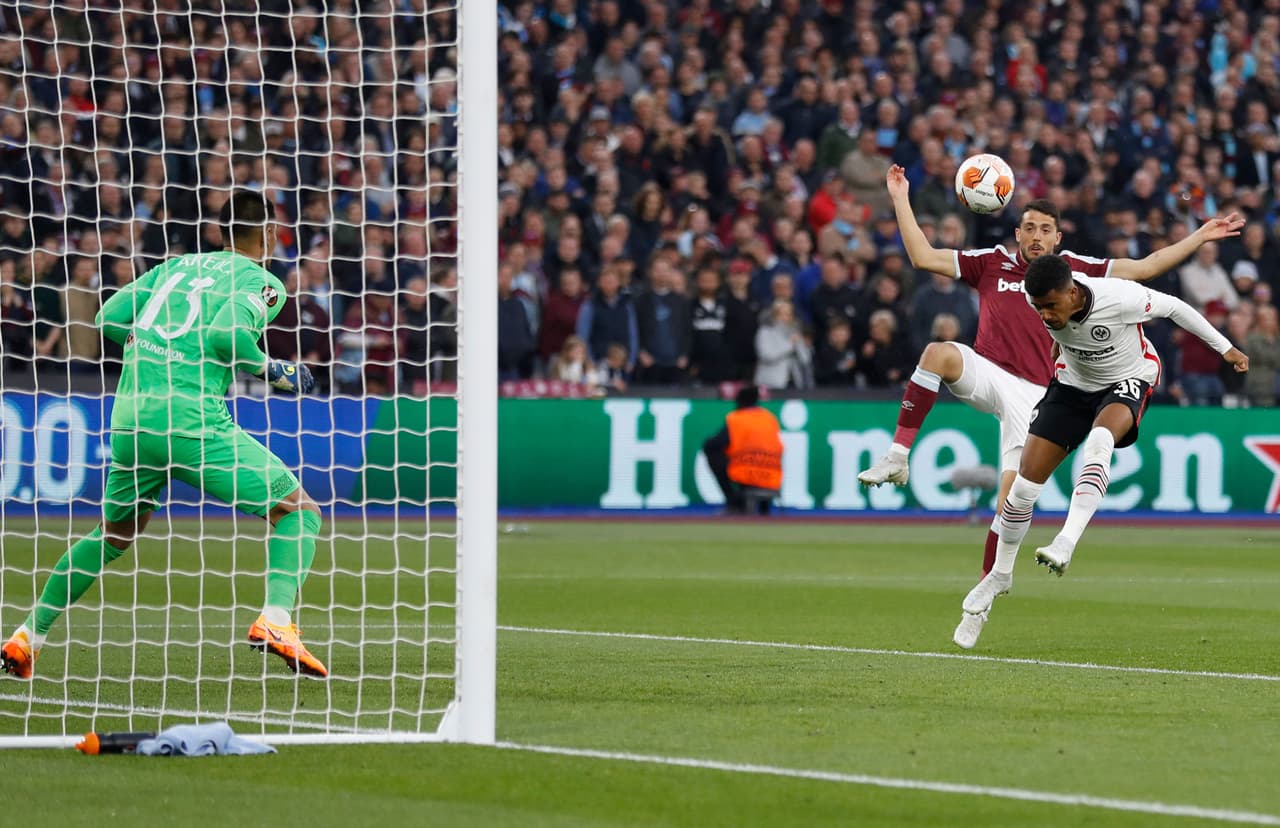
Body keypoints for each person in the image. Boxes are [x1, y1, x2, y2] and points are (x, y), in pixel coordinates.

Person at [856, 165, 1244, 648]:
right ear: (1016, 231)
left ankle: (986, 598)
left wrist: (1201, 236)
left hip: (1042, 394)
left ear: (1058, 237)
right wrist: (899, 196)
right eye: (1029, 228)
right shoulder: (989, 262)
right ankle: (898, 455)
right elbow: (921, 255)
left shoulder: (1079, 273)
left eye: (1046, 230)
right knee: (938, 353)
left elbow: (1146, 268)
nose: (1036, 237)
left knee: (1012, 502)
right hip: (991, 372)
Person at [1, 190, 328, 680]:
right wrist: (276, 371)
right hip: (192, 419)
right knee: (296, 511)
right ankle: (277, 620)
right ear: (269, 232)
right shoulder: (262, 281)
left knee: (112, 535)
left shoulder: (175, 266)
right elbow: (226, 336)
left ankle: (29, 635)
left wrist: (154, 347)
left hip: (132, 418)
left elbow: (107, 318)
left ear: (219, 232)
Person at [960, 254, 1249, 643]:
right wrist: (1057, 343)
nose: (1044, 314)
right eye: (1039, 307)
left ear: (1073, 292)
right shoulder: (1039, 298)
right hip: (1072, 385)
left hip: (1127, 378)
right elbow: (1055, 325)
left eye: (1051, 306)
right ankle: (1000, 575)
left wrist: (1226, 348)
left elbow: (1176, 308)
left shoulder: (1119, 297)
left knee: (1100, 441)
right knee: (1024, 487)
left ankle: (1066, 540)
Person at [702, 386, 783, 515]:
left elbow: (715, 443)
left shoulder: (736, 418)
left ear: (739, 401)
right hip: (773, 474)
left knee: (712, 451)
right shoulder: (769, 418)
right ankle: (762, 507)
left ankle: (734, 503)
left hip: (746, 473)